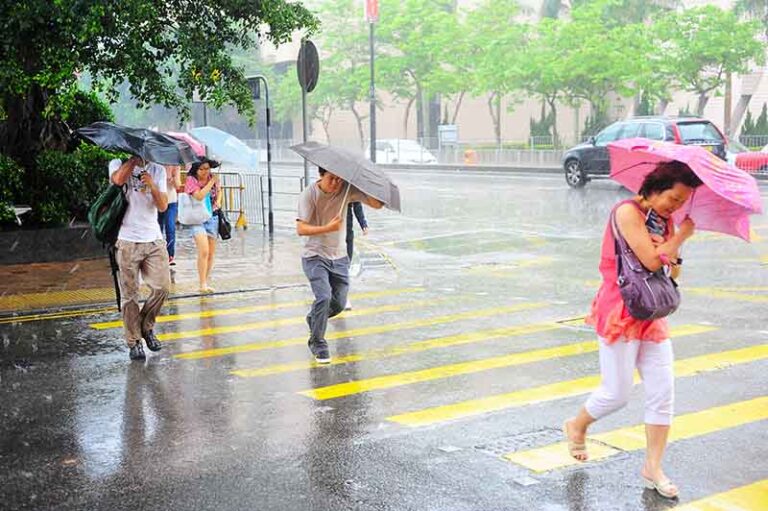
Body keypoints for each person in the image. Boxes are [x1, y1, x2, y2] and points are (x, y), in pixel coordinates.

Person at [563, 161, 702, 499]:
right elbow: (652, 262)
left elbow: (671, 273)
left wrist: (674, 245)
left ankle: (652, 466)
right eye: (673, 197)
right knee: (617, 393)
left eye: (682, 202)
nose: (675, 206)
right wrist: (681, 236)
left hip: (651, 313)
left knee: (662, 391)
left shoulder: (664, 220)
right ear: (655, 187)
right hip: (620, 310)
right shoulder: (626, 212)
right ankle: (577, 425)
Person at [296, 168, 383, 363]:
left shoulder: (346, 190)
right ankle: (317, 343)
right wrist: (328, 227)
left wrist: (375, 191)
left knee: (339, 304)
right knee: (324, 296)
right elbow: (301, 228)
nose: (336, 183)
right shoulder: (309, 194)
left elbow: (375, 204)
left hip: (340, 257)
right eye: (331, 178)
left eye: (339, 179)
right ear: (321, 175)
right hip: (314, 256)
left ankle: (314, 319)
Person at [108, 156, 170, 361]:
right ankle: (134, 342)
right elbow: (117, 181)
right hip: (127, 240)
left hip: (153, 239)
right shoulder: (117, 164)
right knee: (130, 295)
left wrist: (151, 184)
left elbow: (162, 206)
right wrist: (132, 162)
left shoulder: (158, 169)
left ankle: (146, 326)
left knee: (162, 288)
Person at [184, 157, 221, 293]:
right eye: (202, 169)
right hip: (197, 218)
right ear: (196, 169)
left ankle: (205, 281)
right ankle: (202, 283)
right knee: (203, 251)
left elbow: (219, 191)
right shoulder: (191, 180)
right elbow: (199, 196)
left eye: (207, 168)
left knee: (211, 253)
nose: (205, 172)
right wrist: (211, 182)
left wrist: (219, 201)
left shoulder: (213, 177)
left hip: (213, 216)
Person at [344, 201, 369, 310]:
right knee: (334, 264)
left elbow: (357, 205)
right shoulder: (326, 187)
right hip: (331, 230)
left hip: (347, 231)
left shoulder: (350, 187)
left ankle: (343, 296)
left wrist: (363, 223)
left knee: (346, 264)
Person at [158, 165, 182, 266]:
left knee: (170, 227)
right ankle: (157, 254)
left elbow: (178, 185)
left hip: (171, 201)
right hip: (157, 201)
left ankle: (170, 255)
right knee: (157, 228)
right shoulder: (155, 165)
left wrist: (172, 177)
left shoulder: (175, 166)